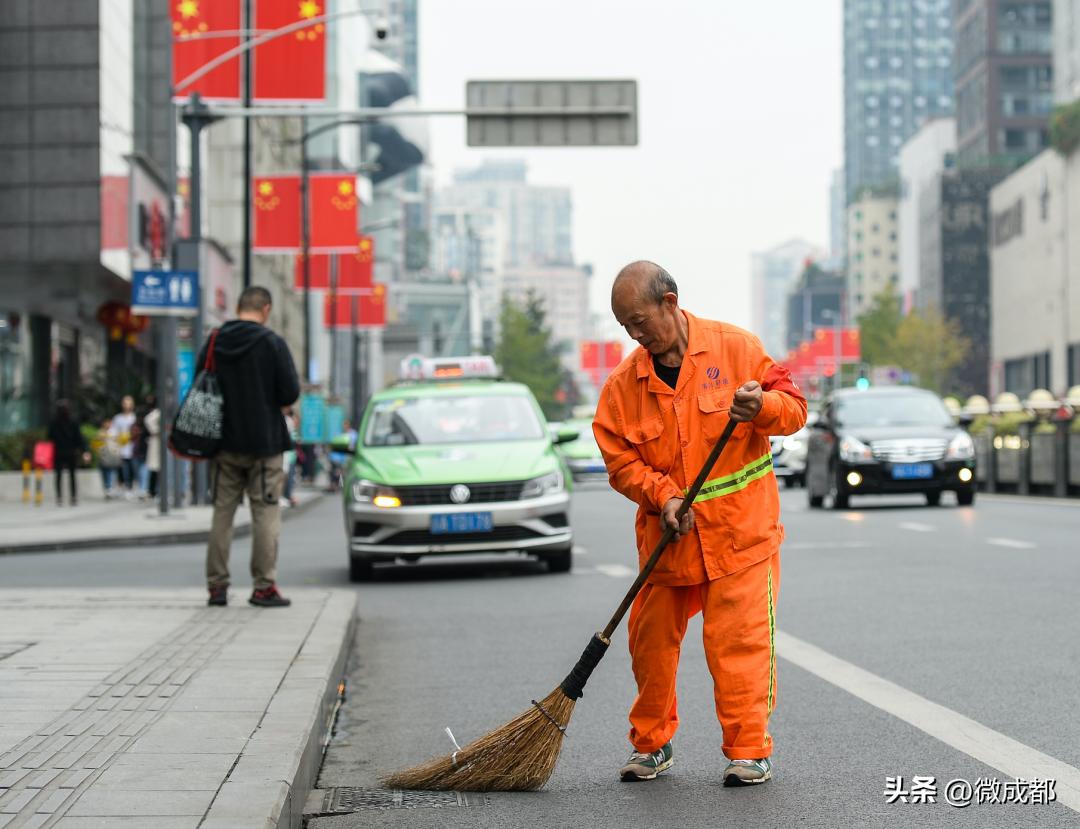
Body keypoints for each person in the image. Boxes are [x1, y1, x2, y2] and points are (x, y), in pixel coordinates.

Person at [593, 262, 806, 787]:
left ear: (670, 302)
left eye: (640, 321)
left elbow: (795, 408)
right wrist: (663, 496)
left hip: (741, 537)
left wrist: (762, 407)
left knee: (740, 647)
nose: (635, 335)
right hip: (670, 542)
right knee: (650, 646)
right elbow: (620, 462)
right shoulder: (624, 386)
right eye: (625, 326)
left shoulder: (737, 349)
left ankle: (748, 750)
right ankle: (652, 745)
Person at [198, 285, 300, 608]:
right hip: (265, 444)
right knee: (266, 514)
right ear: (266, 309)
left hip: (223, 443)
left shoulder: (215, 341)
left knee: (222, 514)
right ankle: (263, 586)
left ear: (238, 307)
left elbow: (200, 383)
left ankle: (217, 587)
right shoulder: (272, 343)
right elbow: (289, 393)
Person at [46, 400, 89, 506]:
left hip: (60, 452)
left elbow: (49, 438)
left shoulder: (55, 422)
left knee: (60, 475)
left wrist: (85, 451)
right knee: (71, 475)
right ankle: (72, 496)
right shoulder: (72, 422)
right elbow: (79, 438)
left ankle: (60, 496)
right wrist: (85, 451)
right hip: (69, 452)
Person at [109, 395, 138, 500]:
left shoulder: (134, 417)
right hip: (122, 448)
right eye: (125, 402)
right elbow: (112, 431)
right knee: (123, 469)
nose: (127, 405)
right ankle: (126, 487)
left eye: (129, 402)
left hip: (133, 448)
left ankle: (133, 487)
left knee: (133, 469)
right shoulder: (118, 418)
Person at [92, 417, 121, 498]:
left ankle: (111, 488)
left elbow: (118, 444)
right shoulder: (100, 432)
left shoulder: (114, 432)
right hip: (103, 456)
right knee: (105, 473)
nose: (107, 424)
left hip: (112, 456)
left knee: (112, 472)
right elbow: (96, 445)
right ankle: (107, 488)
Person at [143, 400, 161, 498]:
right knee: (155, 469)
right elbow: (148, 419)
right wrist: (157, 430)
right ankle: (152, 490)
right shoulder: (158, 412)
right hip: (157, 443)